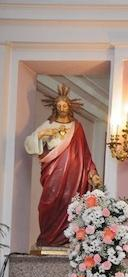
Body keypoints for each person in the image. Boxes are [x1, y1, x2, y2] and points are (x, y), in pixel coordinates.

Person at [24, 84, 102, 247]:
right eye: (58, 105)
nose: (61, 108)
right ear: (55, 107)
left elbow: (85, 155)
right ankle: (47, 238)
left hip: (74, 175)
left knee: (70, 202)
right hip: (53, 172)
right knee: (48, 202)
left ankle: (66, 239)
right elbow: (30, 143)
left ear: (69, 107)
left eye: (64, 105)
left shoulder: (77, 127)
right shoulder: (49, 124)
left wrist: (92, 172)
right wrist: (43, 134)